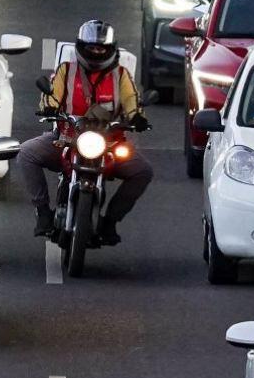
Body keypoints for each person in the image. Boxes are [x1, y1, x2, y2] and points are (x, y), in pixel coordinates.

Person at [18, 20, 153, 244]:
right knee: (25, 153)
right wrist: (49, 106)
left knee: (143, 171)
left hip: (110, 144)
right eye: (91, 48)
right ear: (81, 47)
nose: (96, 52)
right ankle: (42, 212)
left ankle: (110, 221)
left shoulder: (121, 75)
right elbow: (52, 94)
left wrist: (137, 117)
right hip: (66, 138)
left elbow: (131, 100)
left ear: (111, 49)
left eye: (101, 48)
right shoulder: (66, 70)